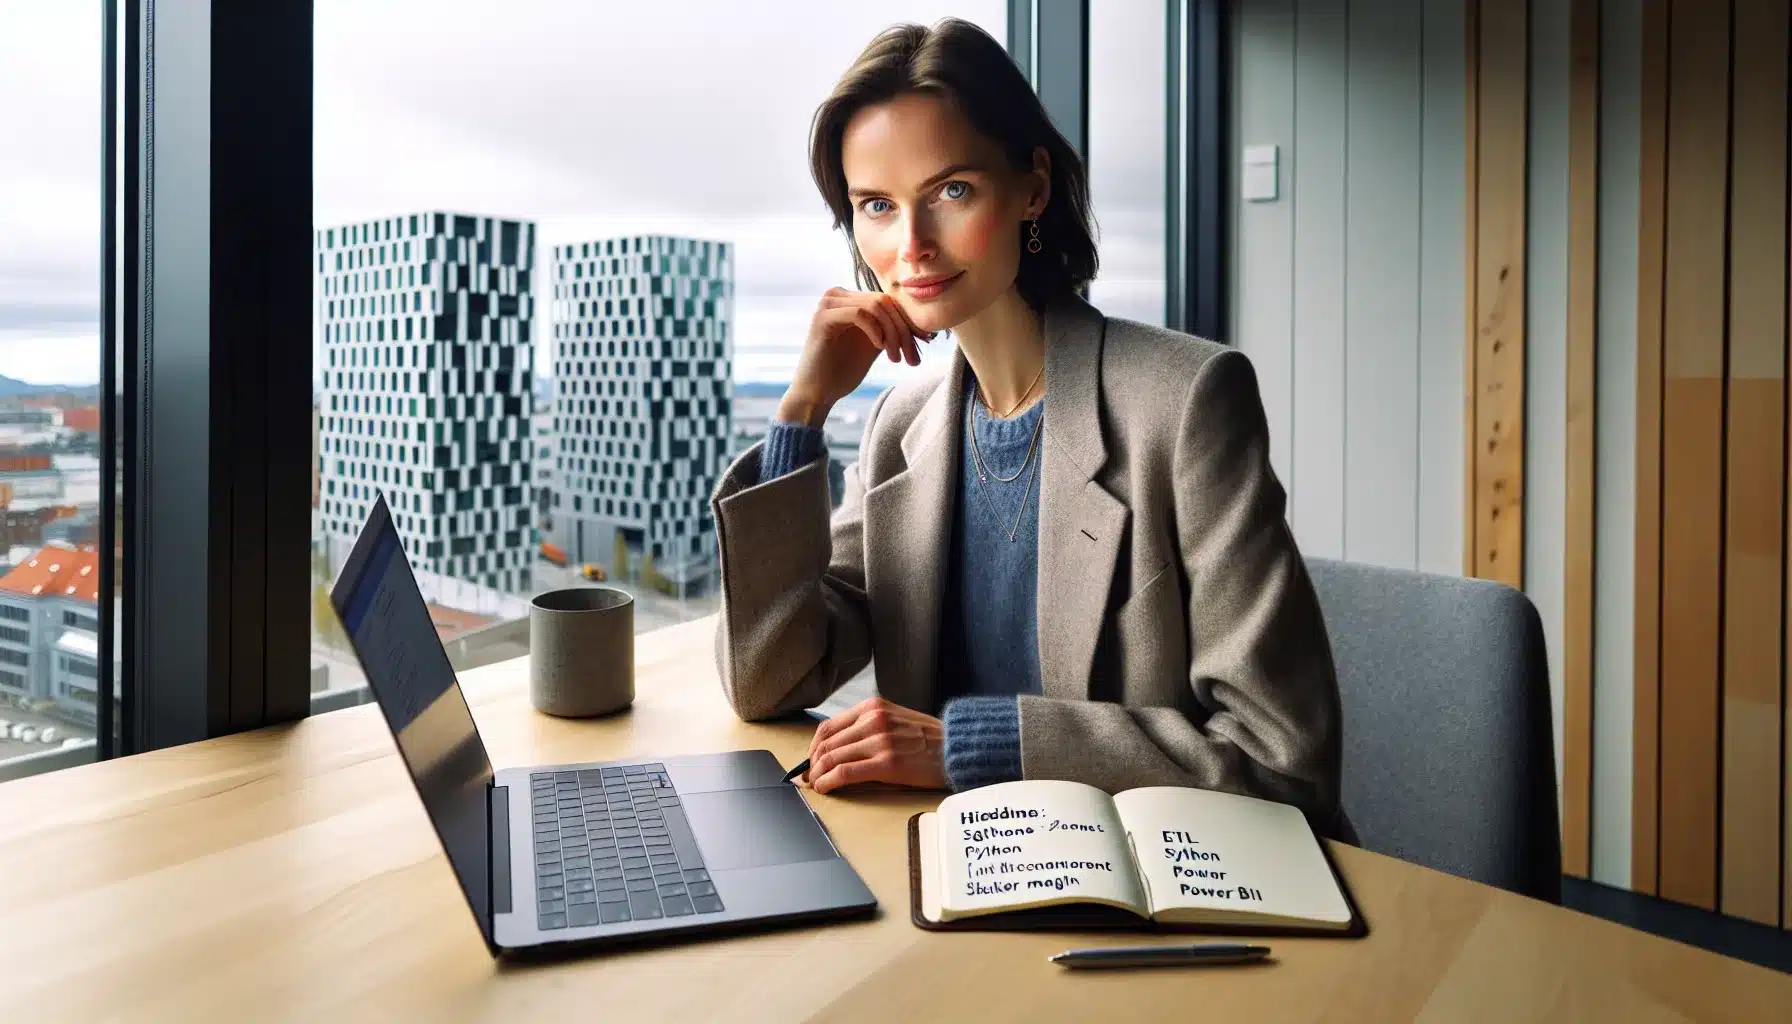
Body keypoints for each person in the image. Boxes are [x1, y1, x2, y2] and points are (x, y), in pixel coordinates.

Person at [709, 19, 1354, 843]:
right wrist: (801, 413)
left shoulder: (1187, 402)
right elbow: (768, 679)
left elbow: (1284, 761)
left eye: (951, 192)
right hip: (962, 864)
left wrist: (982, 747)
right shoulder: (901, 425)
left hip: (1172, 888)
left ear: (1033, 188)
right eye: (876, 206)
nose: (910, 248)